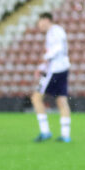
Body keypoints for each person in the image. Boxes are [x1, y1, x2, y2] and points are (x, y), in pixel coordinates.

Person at [30, 12, 71, 143]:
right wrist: (42, 67)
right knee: (61, 100)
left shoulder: (54, 31)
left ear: (46, 20)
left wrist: (45, 60)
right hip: (62, 68)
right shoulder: (56, 31)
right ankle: (66, 135)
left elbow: (57, 49)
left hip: (55, 70)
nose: (39, 25)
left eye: (40, 22)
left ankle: (45, 131)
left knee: (36, 97)